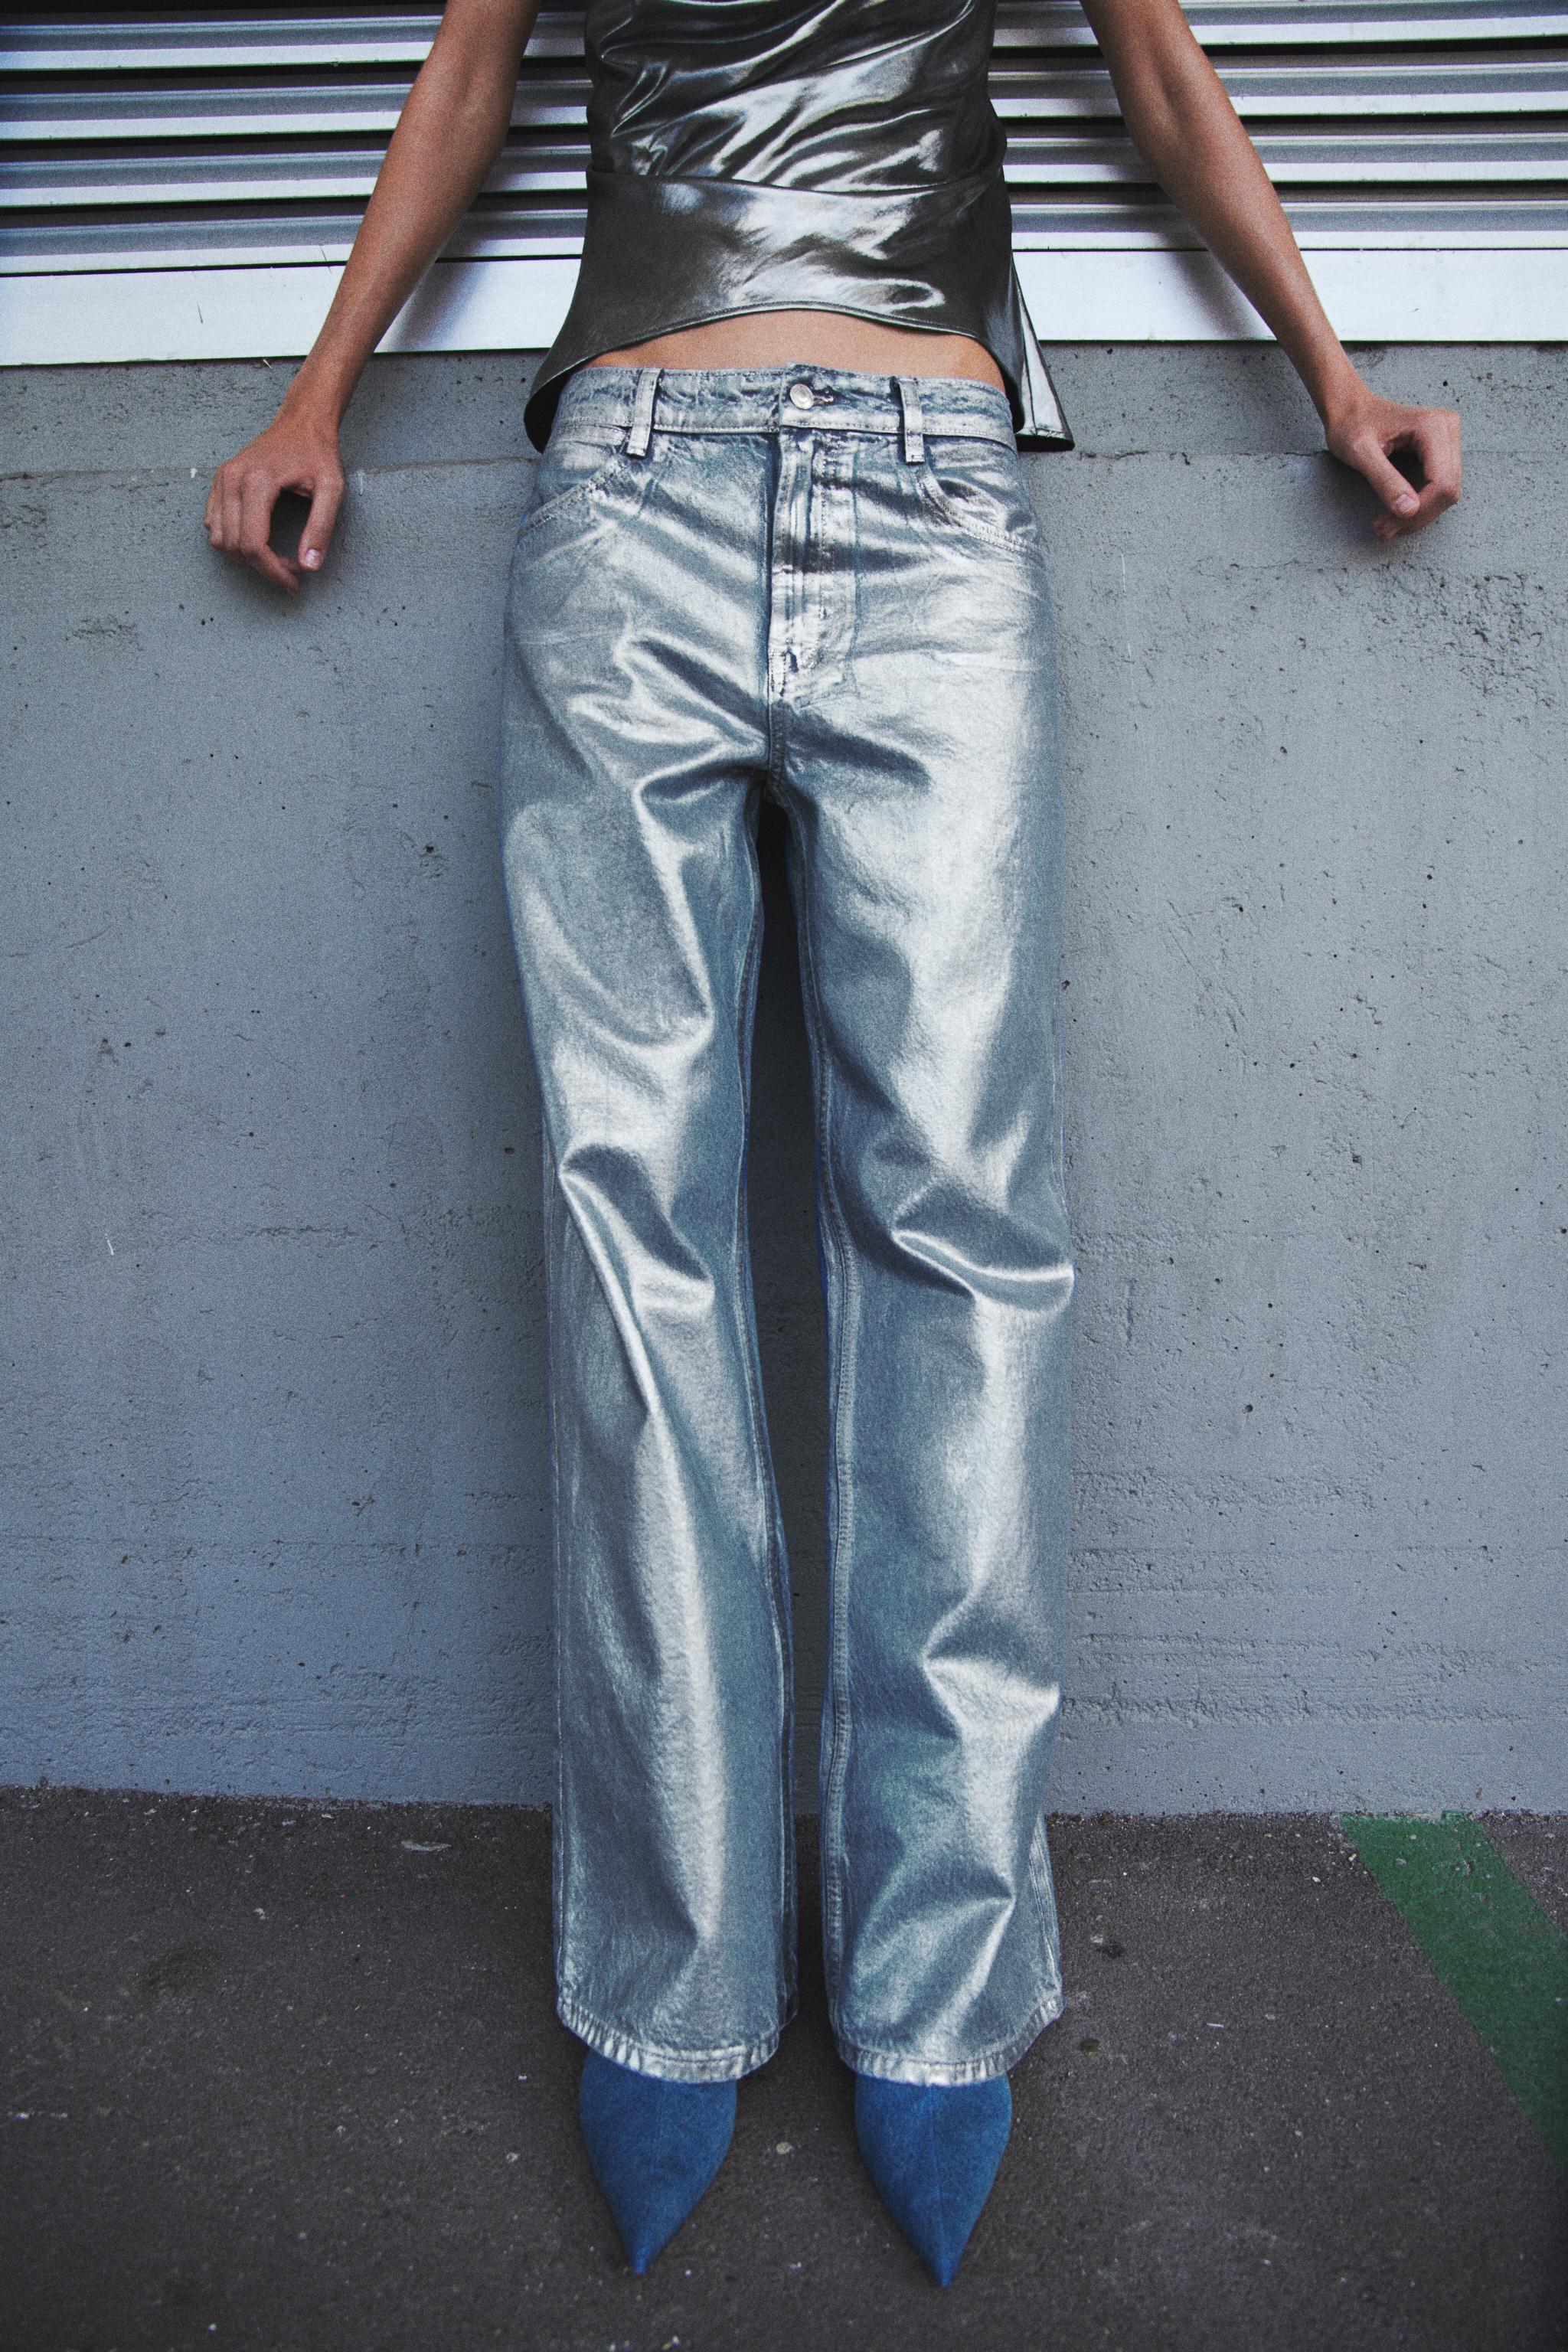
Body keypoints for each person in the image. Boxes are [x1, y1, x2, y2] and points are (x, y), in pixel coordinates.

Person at [204, 0, 1461, 2287]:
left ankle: (935, 1984)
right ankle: (673, 1985)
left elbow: (1162, 71)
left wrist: (1335, 375)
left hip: (933, 501)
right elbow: (469, 73)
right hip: (629, 503)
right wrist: (316, 397)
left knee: (962, 1237)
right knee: (633, 1238)